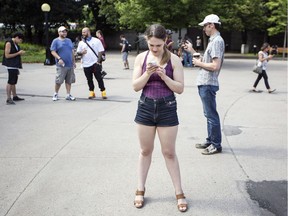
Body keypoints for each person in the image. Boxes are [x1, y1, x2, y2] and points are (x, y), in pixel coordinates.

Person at [132, 24, 187, 212]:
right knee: (145, 151)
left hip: (167, 107)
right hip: (146, 107)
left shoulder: (174, 60)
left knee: (169, 152)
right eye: (151, 45)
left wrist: (164, 76)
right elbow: (135, 86)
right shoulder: (141, 58)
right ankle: (140, 188)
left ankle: (179, 192)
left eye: (158, 45)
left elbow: (179, 88)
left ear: (165, 42)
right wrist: (147, 73)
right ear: (147, 41)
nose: (155, 49)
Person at [184, 14, 225, 155]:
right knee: (208, 114)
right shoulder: (214, 40)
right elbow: (207, 61)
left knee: (211, 114)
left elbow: (215, 66)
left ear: (211, 25)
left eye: (205, 26)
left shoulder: (217, 41)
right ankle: (210, 140)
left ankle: (216, 144)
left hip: (208, 83)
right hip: (205, 82)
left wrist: (199, 63)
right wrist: (193, 51)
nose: (203, 29)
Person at [77, 27, 107, 99]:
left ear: (88, 32)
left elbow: (100, 51)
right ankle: (91, 92)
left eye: (84, 32)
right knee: (89, 79)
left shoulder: (96, 41)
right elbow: (78, 52)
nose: (83, 33)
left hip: (95, 63)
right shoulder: (81, 43)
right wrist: (82, 52)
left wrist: (98, 62)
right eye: (82, 32)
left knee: (99, 78)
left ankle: (103, 92)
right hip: (86, 64)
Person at [50, 26, 76, 101]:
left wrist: (73, 62)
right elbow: (53, 51)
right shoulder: (56, 41)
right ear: (59, 32)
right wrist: (59, 58)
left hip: (69, 64)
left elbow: (72, 51)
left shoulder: (69, 40)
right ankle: (55, 94)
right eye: (62, 31)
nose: (64, 33)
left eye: (65, 31)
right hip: (61, 65)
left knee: (69, 80)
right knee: (59, 80)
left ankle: (68, 94)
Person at [2, 32, 25, 105]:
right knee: (11, 81)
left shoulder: (15, 44)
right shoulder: (9, 43)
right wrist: (18, 53)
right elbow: (7, 55)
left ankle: (14, 96)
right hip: (10, 65)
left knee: (14, 81)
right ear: (17, 37)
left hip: (15, 65)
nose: (20, 42)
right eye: (20, 40)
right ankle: (8, 98)